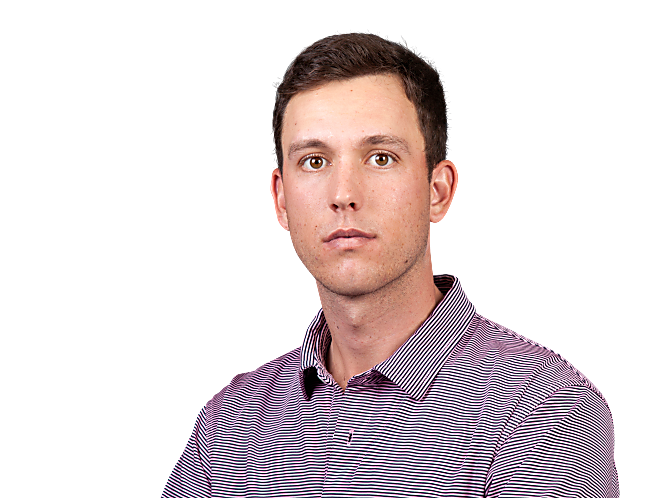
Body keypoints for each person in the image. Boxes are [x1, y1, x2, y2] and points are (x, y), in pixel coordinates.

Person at [162, 30, 619, 497]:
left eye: (380, 158)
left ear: (437, 191)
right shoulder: (226, 421)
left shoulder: (545, 407)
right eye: (315, 162)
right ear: (281, 200)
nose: (344, 195)